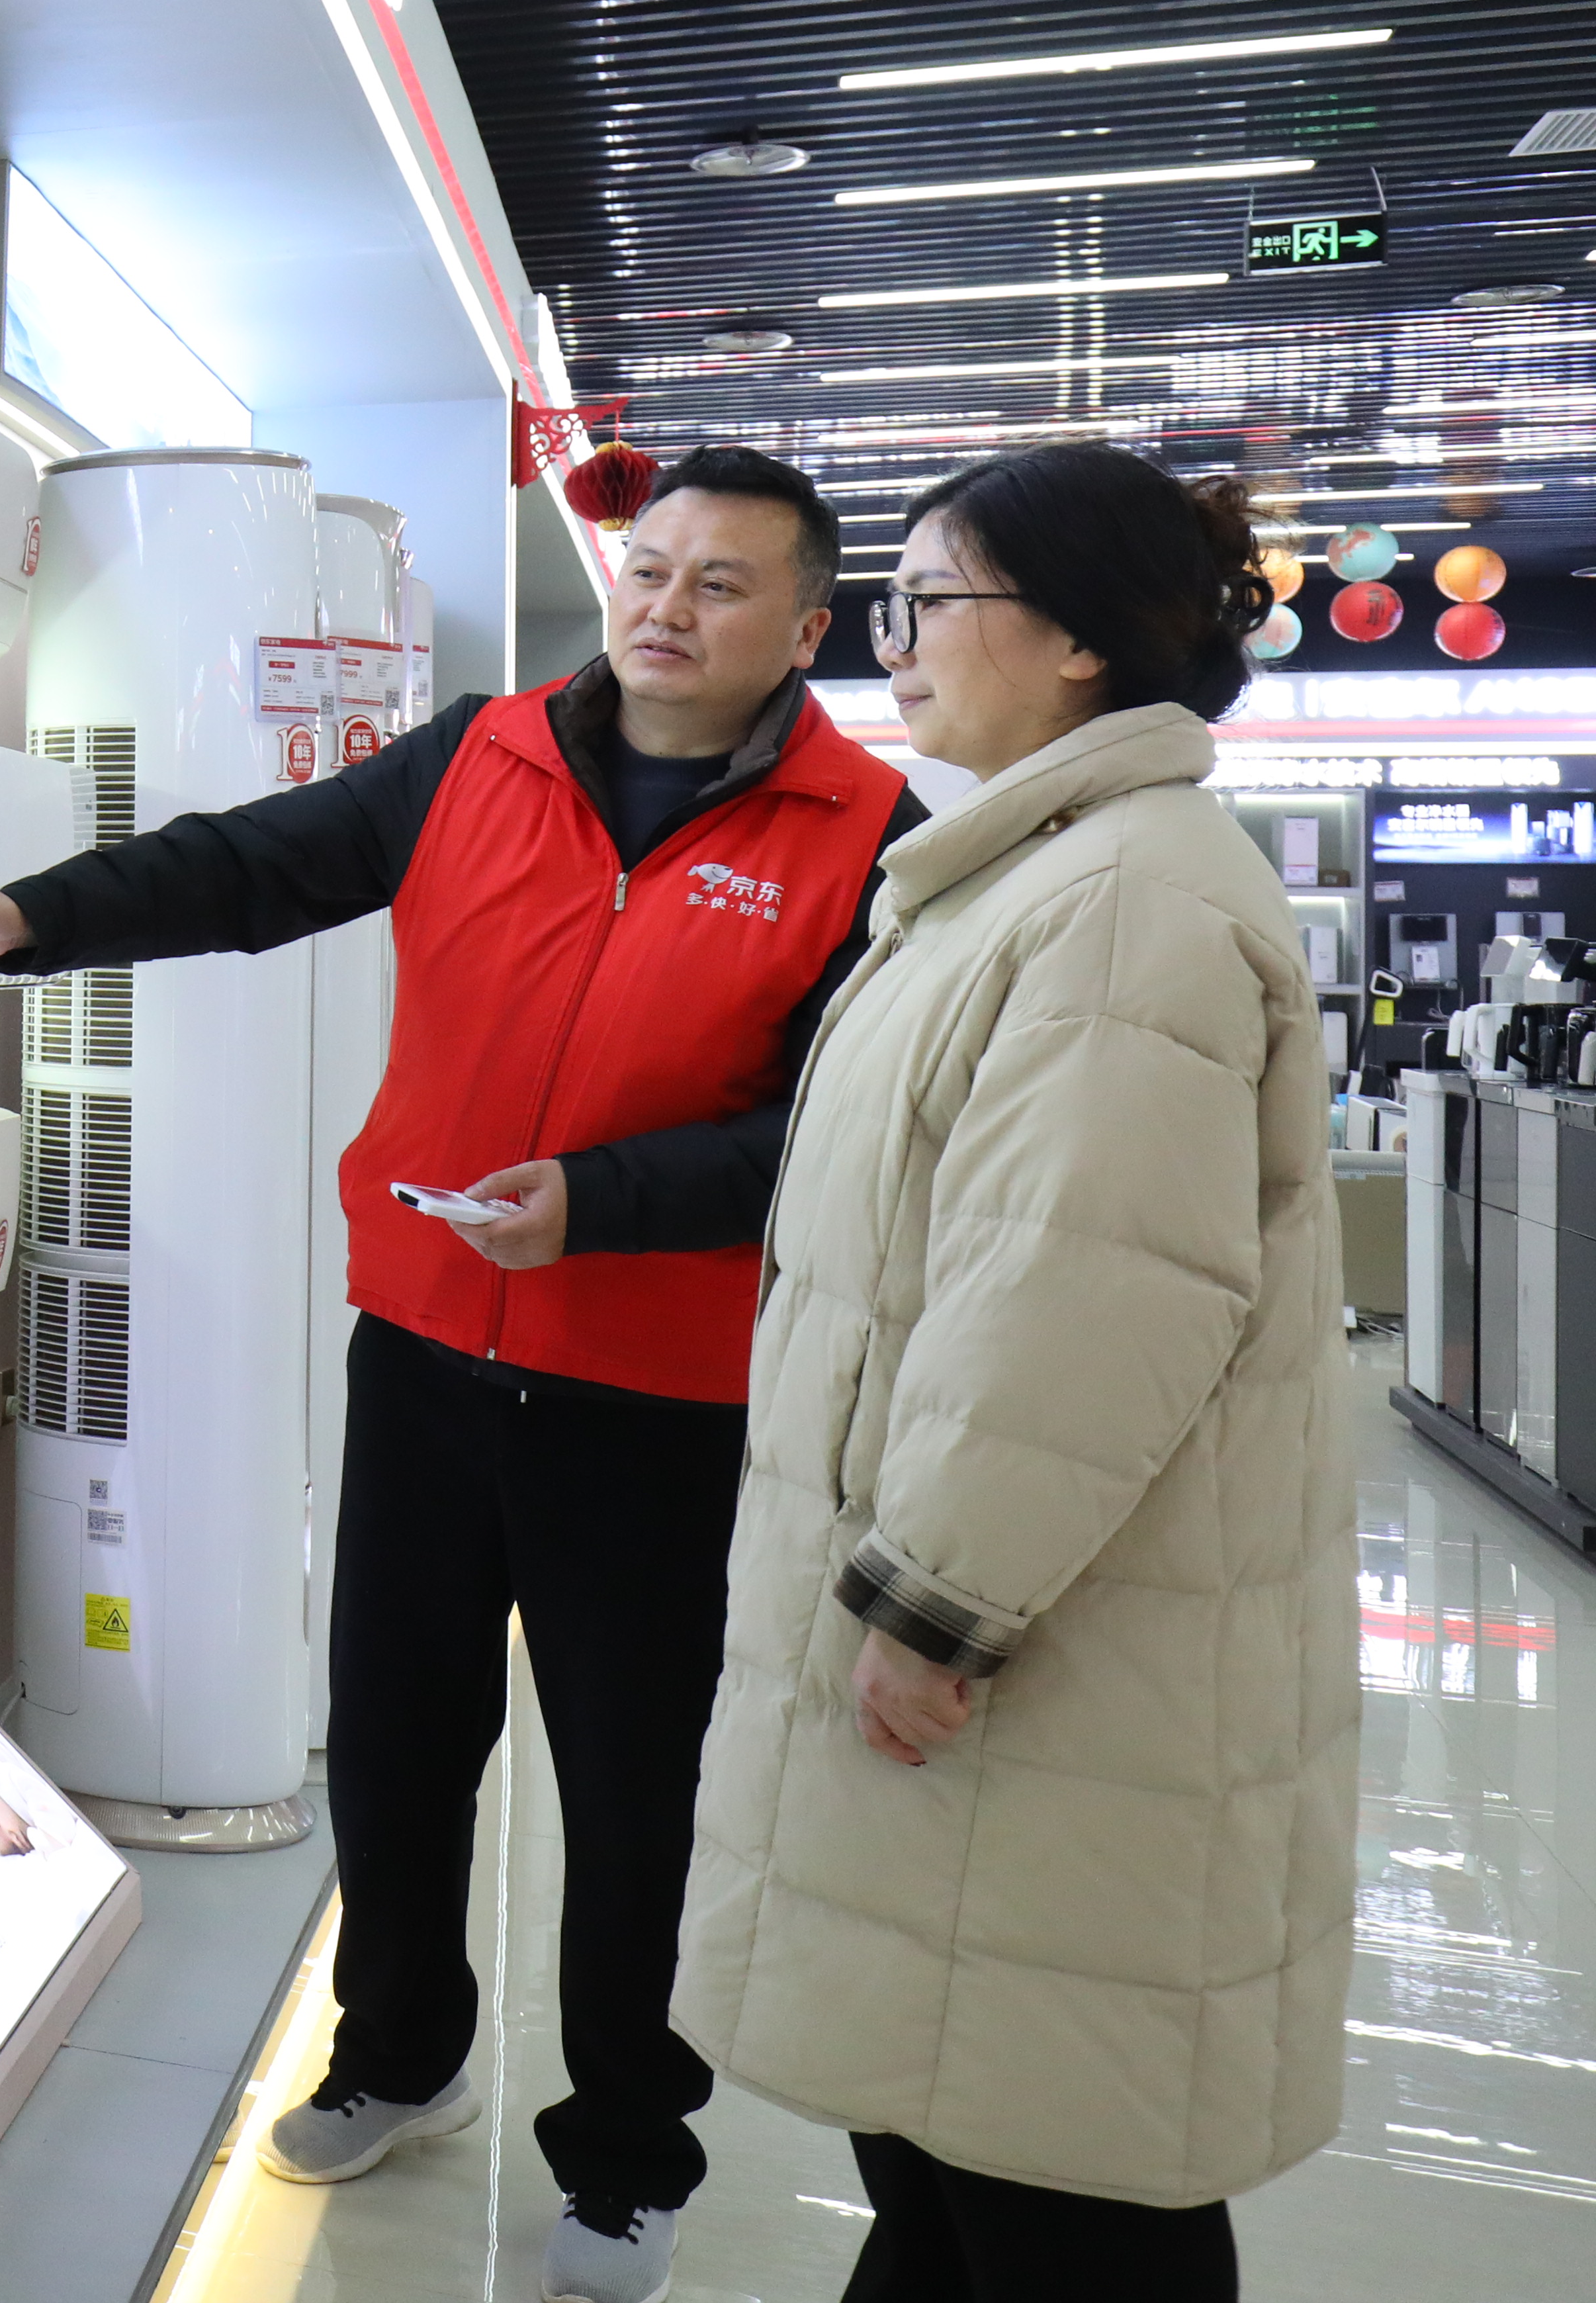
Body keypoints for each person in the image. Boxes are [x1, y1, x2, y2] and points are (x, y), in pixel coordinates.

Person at [0, 445, 917, 2303]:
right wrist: (28, 918)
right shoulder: (479, 755)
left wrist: (598, 1204)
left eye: (722, 584)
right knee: (402, 1753)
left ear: (807, 628)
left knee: (638, 1796)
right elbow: (255, 865)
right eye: (650, 568)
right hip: (425, 1357)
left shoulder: (865, 837)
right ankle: (399, 2059)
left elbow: (835, 1131)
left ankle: (627, 2152)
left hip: (659, 1404)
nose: (666, 607)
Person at [673, 446, 1350, 2300]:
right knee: (955, 2146)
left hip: (1044, 1667)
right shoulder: (1033, 874)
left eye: (926, 602)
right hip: (1008, 1647)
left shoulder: (1123, 901)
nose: (889, 646)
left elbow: (1080, 1298)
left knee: (1058, 2173)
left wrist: (937, 1604)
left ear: (1072, 642)